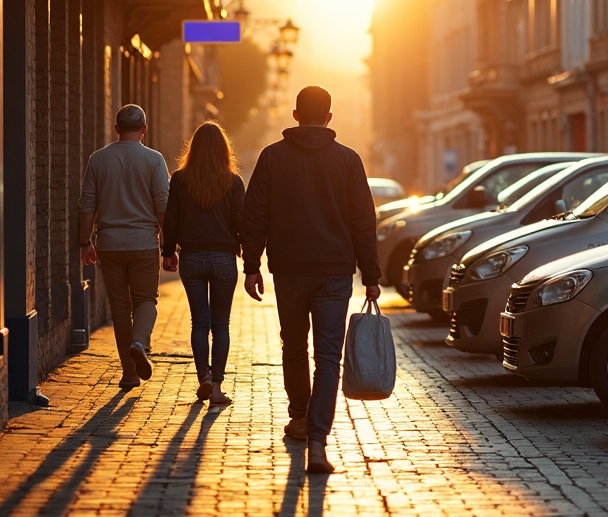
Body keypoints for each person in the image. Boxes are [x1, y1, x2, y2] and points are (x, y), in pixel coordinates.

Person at [241, 85, 381, 473]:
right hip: (334, 271)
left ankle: (300, 417)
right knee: (328, 356)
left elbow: (255, 214)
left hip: (288, 269)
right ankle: (318, 439)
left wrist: (251, 264)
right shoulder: (348, 161)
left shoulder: (272, 158)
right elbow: (362, 222)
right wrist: (370, 274)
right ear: (330, 118)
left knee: (293, 346)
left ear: (295, 115)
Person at [78, 105, 170, 389]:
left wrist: (85, 243)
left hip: (110, 244)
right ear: (144, 129)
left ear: (116, 129)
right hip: (143, 243)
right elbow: (163, 207)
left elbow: (87, 207)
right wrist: (168, 246)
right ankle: (140, 342)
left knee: (119, 307)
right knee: (146, 300)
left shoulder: (98, 159)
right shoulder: (154, 160)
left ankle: (129, 373)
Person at [162, 122, 245, 406]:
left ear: (193, 149)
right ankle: (218, 389)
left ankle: (204, 378)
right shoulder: (233, 182)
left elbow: (170, 218)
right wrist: (246, 248)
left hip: (192, 258)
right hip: (223, 259)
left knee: (199, 322)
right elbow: (240, 222)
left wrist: (168, 251)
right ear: (224, 150)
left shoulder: (180, 180)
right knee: (221, 324)